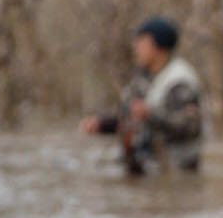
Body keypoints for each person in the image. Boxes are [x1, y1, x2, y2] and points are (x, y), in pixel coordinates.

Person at [80, 16, 204, 175]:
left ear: (158, 45)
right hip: (146, 163)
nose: (135, 47)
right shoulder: (143, 78)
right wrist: (101, 124)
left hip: (176, 168)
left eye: (141, 41)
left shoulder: (180, 81)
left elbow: (189, 127)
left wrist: (150, 115)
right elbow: (127, 114)